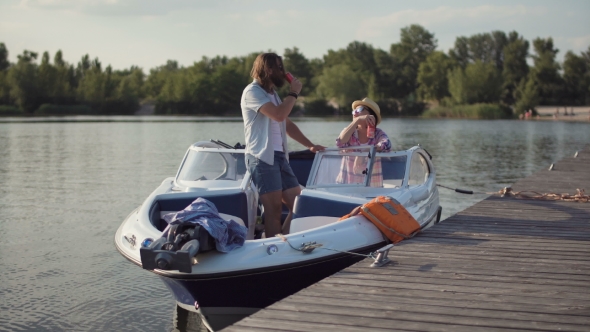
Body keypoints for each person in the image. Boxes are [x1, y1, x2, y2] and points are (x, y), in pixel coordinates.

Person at [241, 53, 325, 237]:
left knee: (300, 203)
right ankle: (272, 251)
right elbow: (278, 115)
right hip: (262, 157)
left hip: (279, 157)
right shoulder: (252, 92)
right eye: (279, 67)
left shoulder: (273, 95)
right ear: (268, 69)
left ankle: (284, 243)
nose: (283, 71)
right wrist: (294, 92)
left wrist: (310, 145)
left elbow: (286, 124)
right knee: (274, 211)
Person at [336, 97, 391, 187]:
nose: (355, 112)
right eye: (354, 111)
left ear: (371, 115)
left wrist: (366, 152)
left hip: (371, 187)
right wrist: (357, 120)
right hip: (346, 186)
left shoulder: (378, 134)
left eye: (360, 109)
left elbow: (387, 144)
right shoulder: (349, 132)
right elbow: (340, 143)